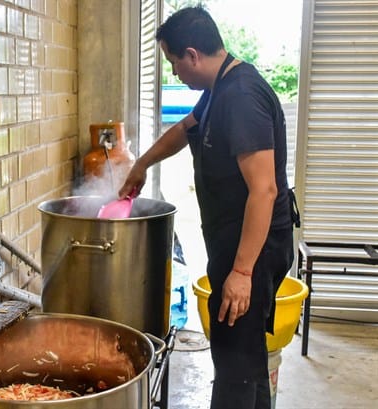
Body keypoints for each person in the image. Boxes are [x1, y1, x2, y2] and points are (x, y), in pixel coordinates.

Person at [119, 6, 294, 409]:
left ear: (193, 54)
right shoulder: (218, 89)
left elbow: (264, 190)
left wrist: (242, 272)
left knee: (235, 360)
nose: (174, 72)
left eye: (174, 62)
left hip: (253, 249)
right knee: (245, 353)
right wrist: (141, 165)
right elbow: (183, 130)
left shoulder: (242, 97)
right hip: (232, 242)